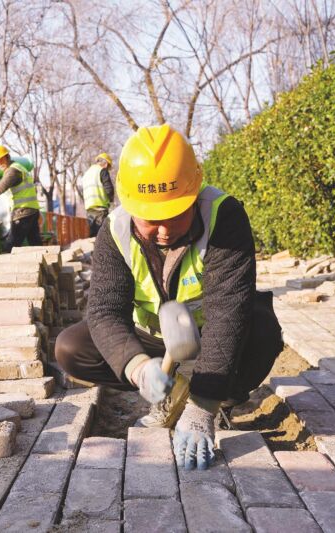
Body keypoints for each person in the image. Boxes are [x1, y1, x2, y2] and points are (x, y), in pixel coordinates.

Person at [54, 124, 282, 470]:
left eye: (174, 215)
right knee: (71, 348)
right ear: (129, 204)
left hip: (209, 337)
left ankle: (220, 396)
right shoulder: (115, 231)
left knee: (263, 331)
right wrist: (138, 366)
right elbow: (105, 312)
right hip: (152, 340)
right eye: (151, 219)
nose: (162, 230)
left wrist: (203, 407)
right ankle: (170, 393)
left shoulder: (223, 216)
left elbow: (227, 315)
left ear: (193, 192)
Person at [0, 145, 42, 250]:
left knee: (10, 246)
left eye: (1, 159)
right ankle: (46, 260)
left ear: (7, 156)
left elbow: (0, 188)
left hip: (22, 212)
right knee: (36, 244)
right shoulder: (20, 167)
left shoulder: (12, 171)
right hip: (32, 211)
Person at [81, 152, 115, 237]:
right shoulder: (102, 171)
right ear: (106, 164)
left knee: (93, 233)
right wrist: (111, 199)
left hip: (89, 208)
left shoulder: (87, 174)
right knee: (102, 235)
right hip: (100, 207)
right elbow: (109, 189)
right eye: (108, 167)